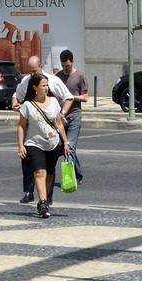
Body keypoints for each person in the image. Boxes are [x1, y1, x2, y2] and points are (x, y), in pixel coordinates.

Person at [12, 56, 72, 205]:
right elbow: (16, 96)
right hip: (32, 127)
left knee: (49, 168)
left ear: (40, 67)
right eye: (30, 71)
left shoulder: (52, 80)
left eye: (35, 71)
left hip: (51, 131)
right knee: (30, 163)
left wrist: (62, 114)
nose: (32, 74)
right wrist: (15, 105)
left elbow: (68, 97)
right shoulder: (26, 81)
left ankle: (47, 195)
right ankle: (30, 192)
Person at [54, 50, 89, 183]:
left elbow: (85, 97)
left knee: (70, 147)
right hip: (61, 118)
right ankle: (78, 174)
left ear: (72, 62)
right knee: (66, 148)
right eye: (63, 66)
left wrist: (70, 97)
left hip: (74, 116)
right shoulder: (57, 77)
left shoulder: (80, 76)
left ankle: (68, 178)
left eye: (67, 66)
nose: (65, 69)